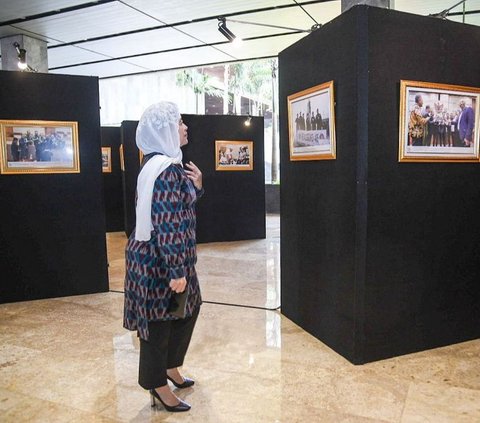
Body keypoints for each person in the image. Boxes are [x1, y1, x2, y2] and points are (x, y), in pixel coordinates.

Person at [123, 101, 204, 413]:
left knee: (186, 310)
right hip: (163, 262)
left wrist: (197, 186)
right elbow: (166, 220)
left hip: (163, 257)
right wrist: (176, 270)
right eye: (180, 123)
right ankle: (158, 386)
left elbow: (174, 208)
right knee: (159, 324)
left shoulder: (156, 164)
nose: (185, 128)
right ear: (165, 130)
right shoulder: (166, 169)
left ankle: (171, 367)